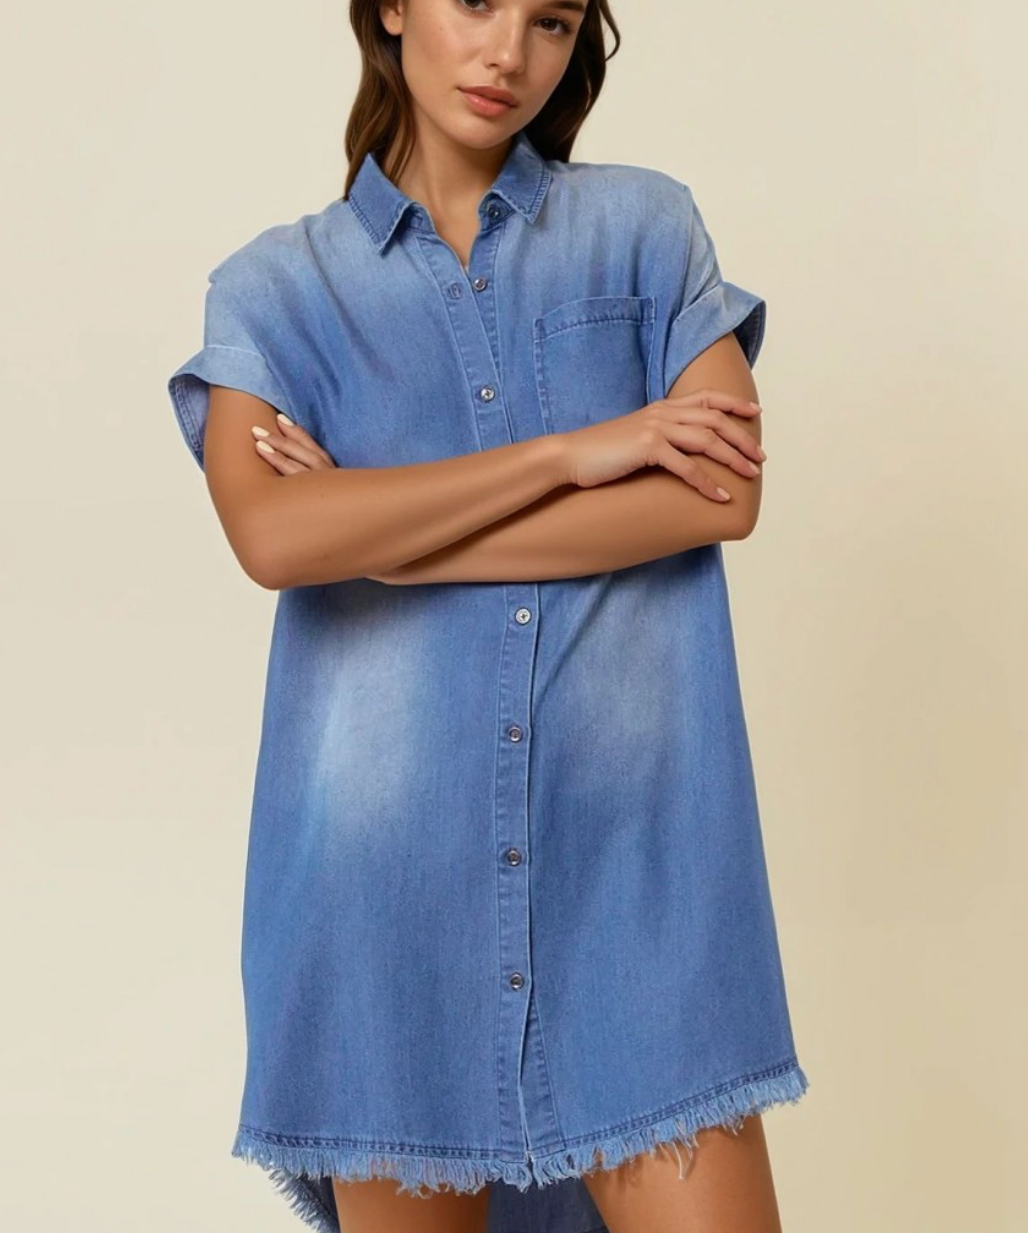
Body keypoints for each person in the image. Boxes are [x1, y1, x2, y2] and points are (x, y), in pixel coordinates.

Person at [166, 2, 810, 1231]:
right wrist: (574, 453)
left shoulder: (640, 230)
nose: (508, 52)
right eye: (473, 2)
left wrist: (395, 545)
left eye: (552, 20)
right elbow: (276, 538)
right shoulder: (274, 291)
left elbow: (718, 497)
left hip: (641, 895)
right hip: (381, 915)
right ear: (393, 9)